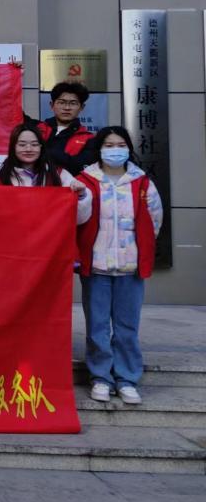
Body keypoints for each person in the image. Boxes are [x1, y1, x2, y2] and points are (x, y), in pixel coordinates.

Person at [76, 126, 163, 406]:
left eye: (121, 144)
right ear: (99, 149)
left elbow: (154, 220)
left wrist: (138, 250)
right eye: (109, 145)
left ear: (129, 148)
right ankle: (101, 377)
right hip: (96, 266)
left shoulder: (142, 182)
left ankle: (127, 379)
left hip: (130, 266)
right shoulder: (86, 180)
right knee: (98, 326)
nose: (115, 150)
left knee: (127, 326)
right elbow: (77, 219)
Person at [0, 124, 92, 223]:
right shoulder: (2, 178)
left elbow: (78, 219)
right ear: (13, 147)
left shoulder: (59, 175)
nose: (28, 149)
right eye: (22, 145)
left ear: (41, 147)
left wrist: (81, 196)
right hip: (16, 233)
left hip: (50, 234)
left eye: (34, 144)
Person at [26, 81, 97, 176]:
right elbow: (9, 109)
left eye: (73, 103)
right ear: (52, 105)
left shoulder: (89, 139)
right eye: (61, 102)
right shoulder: (35, 128)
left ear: (82, 107)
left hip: (66, 185)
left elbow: (80, 166)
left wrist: (41, 152)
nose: (67, 108)